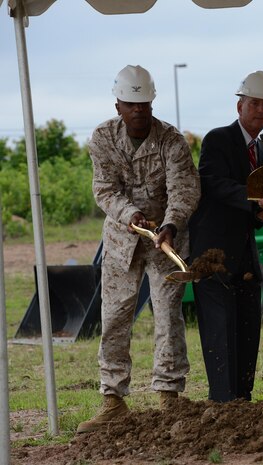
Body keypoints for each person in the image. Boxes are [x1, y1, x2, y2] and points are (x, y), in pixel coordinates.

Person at [77, 65, 200, 433]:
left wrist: (171, 224)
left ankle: (169, 397)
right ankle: (113, 400)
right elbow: (105, 190)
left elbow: (185, 189)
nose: (138, 110)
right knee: (114, 318)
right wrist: (131, 215)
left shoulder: (172, 141)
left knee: (167, 316)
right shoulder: (101, 138)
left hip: (166, 242)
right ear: (118, 106)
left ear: (151, 102)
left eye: (144, 103)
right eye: (131, 104)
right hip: (121, 242)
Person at [188, 70, 263, 402]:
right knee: (219, 329)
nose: (261, 111)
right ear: (239, 105)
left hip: (245, 256)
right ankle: (222, 401)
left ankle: (243, 398)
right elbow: (214, 183)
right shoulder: (218, 140)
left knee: (247, 327)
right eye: (255, 103)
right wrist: (254, 199)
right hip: (212, 255)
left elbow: (251, 212)